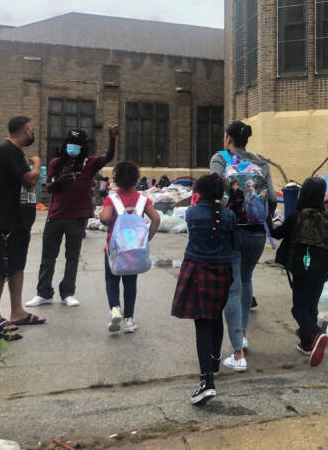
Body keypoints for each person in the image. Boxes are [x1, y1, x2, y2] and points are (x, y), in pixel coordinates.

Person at [25, 125, 118, 308]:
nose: (73, 147)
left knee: (72, 257)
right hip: (56, 215)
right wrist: (61, 180)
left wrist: (112, 138)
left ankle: (68, 292)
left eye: (77, 144)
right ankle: (43, 293)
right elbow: (49, 187)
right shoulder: (56, 163)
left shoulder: (89, 163)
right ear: (66, 143)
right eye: (71, 143)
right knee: (48, 256)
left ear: (83, 146)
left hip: (78, 217)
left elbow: (108, 157)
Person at [210, 120, 277, 372]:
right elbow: (271, 198)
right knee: (247, 280)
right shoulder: (261, 164)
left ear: (228, 138)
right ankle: (244, 334)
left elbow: (214, 190)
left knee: (233, 288)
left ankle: (237, 352)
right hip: (257, 233)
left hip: (230, 231)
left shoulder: (220, 158)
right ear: (246, 140)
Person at [171, 174, 235, 405]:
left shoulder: (192, 213)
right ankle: (215, 359)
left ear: (200, 193)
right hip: (222, 272)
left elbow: (196, 215)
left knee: (202, 323)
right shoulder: (229, 216)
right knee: (215, 316)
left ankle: (206, 381)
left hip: (197, 271)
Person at [0, 116, 45, 338]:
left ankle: (17, 312)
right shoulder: (7, 149)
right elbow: (30, 179)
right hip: (4, 221)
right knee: (0, 267)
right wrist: (37, 163)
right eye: (32, 129)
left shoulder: (15, 152)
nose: (33, 133)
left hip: (18, 221)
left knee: (17, 265)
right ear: (26, 130)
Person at [273, 177, 328, 367]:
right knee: (311, 306)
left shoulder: (296, 216)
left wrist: (265, 223)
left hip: (302, 269)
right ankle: (307, 342)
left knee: (299, 308)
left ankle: (317, 334)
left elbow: (278, 233)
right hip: (323, 270)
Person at [99, 161, 160, 333]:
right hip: (135, 251)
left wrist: (102, 213)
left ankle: (115, 309)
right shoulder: (143, 200)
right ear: (136, 180)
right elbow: (156, 219)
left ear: (116, 180)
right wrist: (146, 239)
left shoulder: (112, 199)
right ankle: (129, 320)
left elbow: (104, 219)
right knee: (130, 283)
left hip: (114, 251)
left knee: (111, 281)